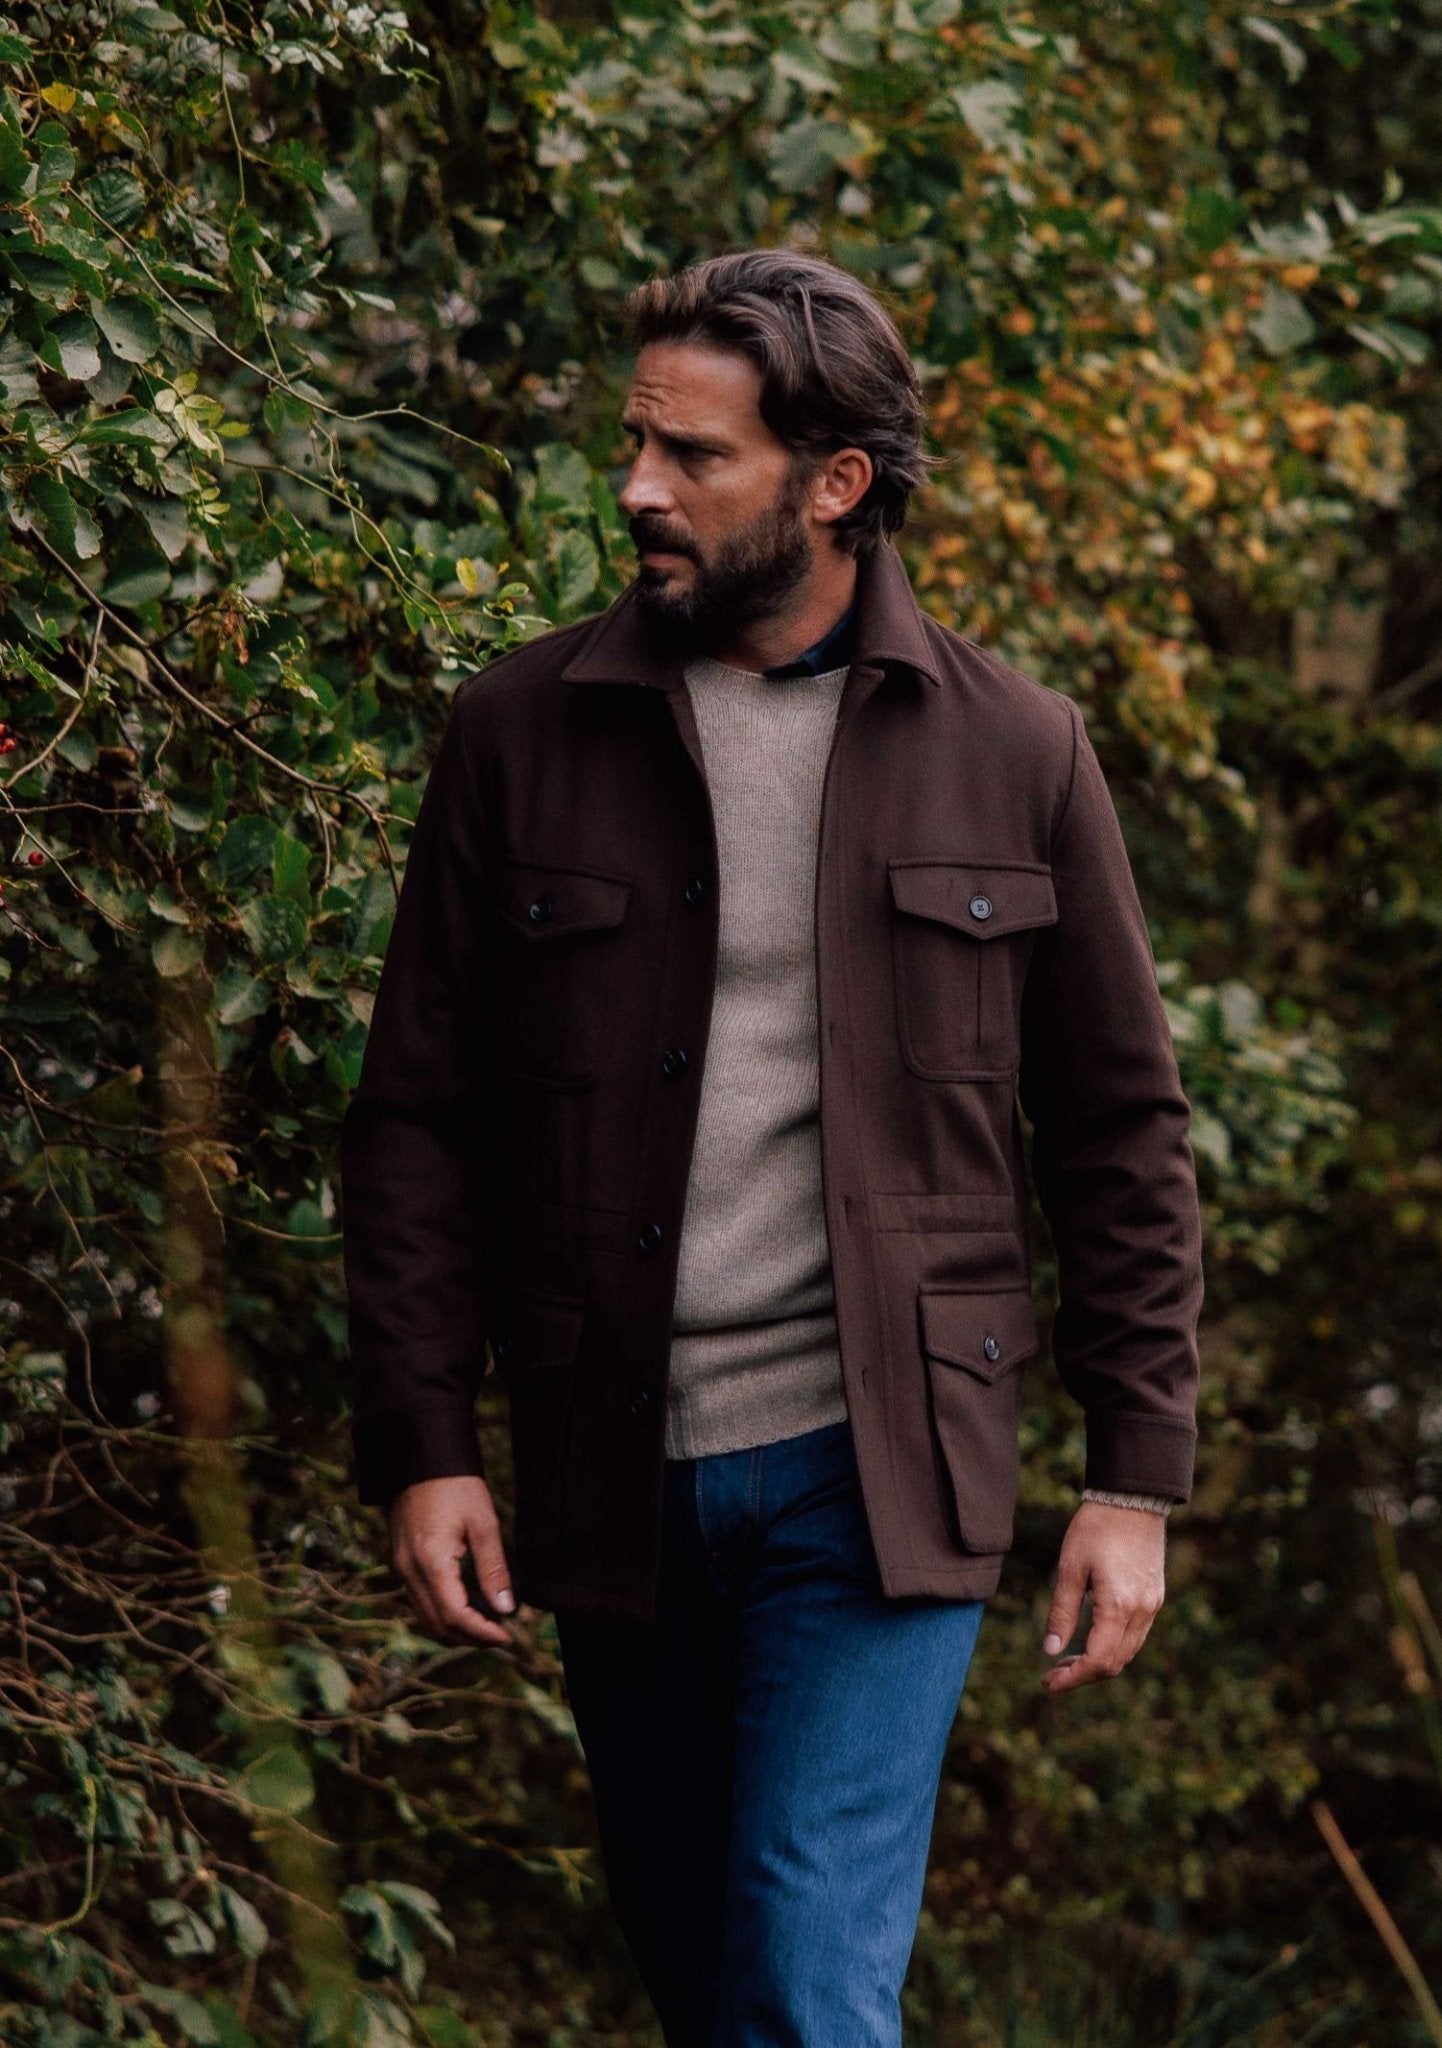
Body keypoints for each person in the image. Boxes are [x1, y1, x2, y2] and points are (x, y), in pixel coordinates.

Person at [341, 246, 1203, 2047]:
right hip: (614, 1458)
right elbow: (418, 1114)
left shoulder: (1017, 750)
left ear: (835, 484)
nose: (638, 489)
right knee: (704, 1965)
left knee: (807, 1965)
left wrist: (1137, 1476)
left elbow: (1119, 1131)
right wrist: (427, 1437)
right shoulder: (519, 731)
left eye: (695, 457)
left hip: (881, 1475)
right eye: (635, 443)